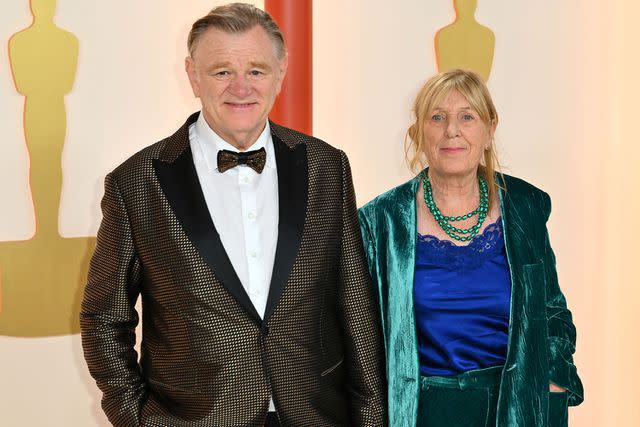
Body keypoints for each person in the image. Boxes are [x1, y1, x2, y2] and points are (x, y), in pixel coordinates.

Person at [80, 3, 386, 426]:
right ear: (192, 75)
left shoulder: (326, 167)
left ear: (280, 74)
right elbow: (103, 318)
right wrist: (137, 418)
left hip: (315, 416)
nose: (240, 87)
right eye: (222, 71)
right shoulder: (135, 183)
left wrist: (370, 420)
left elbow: (355, 307)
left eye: (256, 71)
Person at [358, 69, 583, 426]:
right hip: (423, 412)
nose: (452, 130)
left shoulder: (525, 206)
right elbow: (360, 338)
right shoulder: (380, 221)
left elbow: (552, 312)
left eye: (467, 116)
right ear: (418, 133)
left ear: (489, 130)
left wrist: (553, 390)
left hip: (514, 410)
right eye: (437, 117)